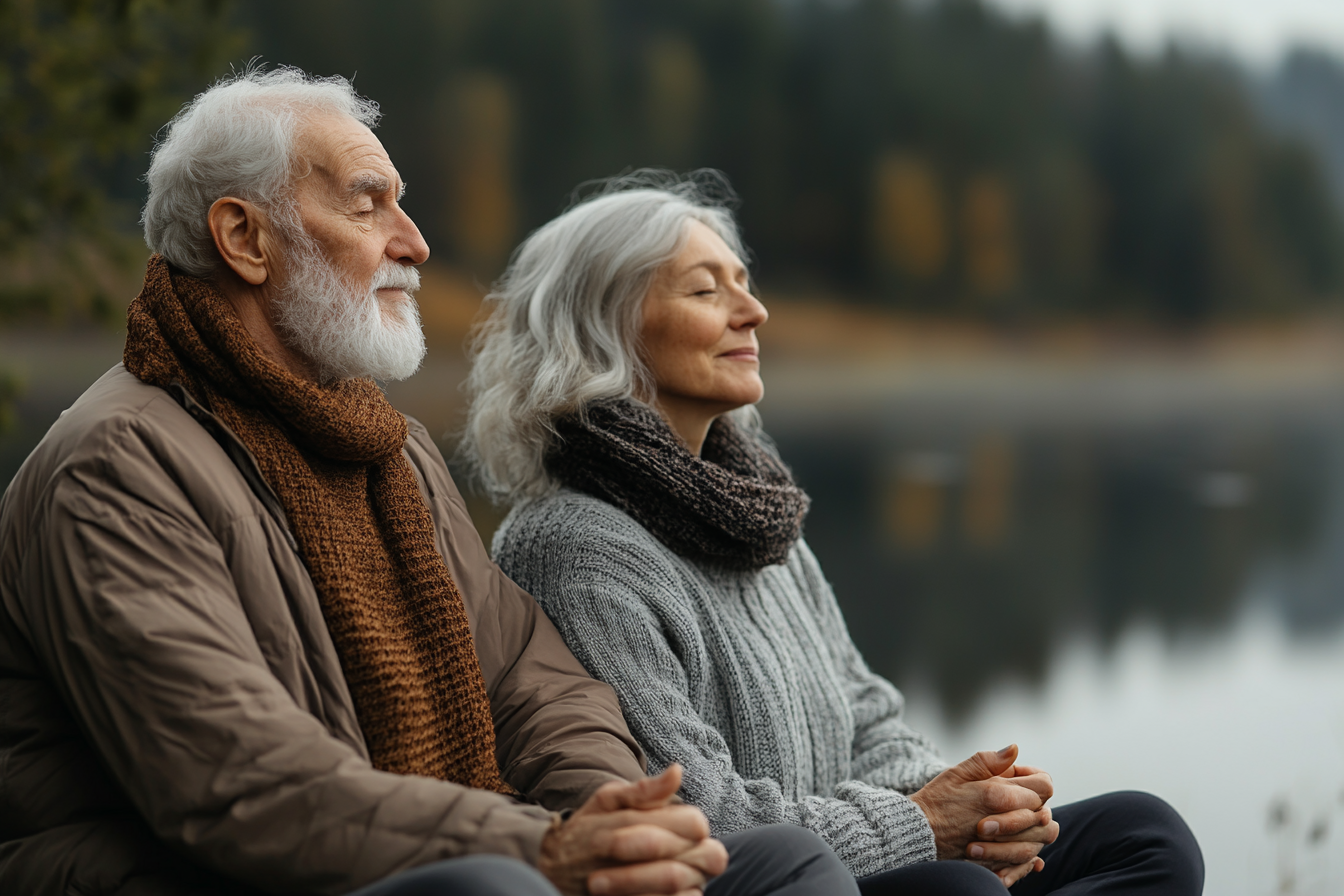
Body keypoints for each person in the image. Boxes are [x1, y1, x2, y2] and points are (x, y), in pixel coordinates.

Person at [0, 70, 861, 896]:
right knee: (492, 887)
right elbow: (235, 779)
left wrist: (605, 814)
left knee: (780, 865)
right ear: (243, 239)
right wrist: (539, 845)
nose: (413, 242)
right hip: (229, 880)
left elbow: (536, 682)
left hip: (463, 854)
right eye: (367, 201)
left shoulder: (392, 451)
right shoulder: (117, 465)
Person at [463, 171, 1207, 895]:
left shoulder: (750, 509)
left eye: (744, 282)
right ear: (602, 330)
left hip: (870, 850)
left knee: (1144, 838)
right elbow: (697, 817)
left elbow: (869, 718)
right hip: (753, 880)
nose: (752, 311)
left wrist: (972, 808)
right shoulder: (572, 547)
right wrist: (921, 824)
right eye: (704, 289)